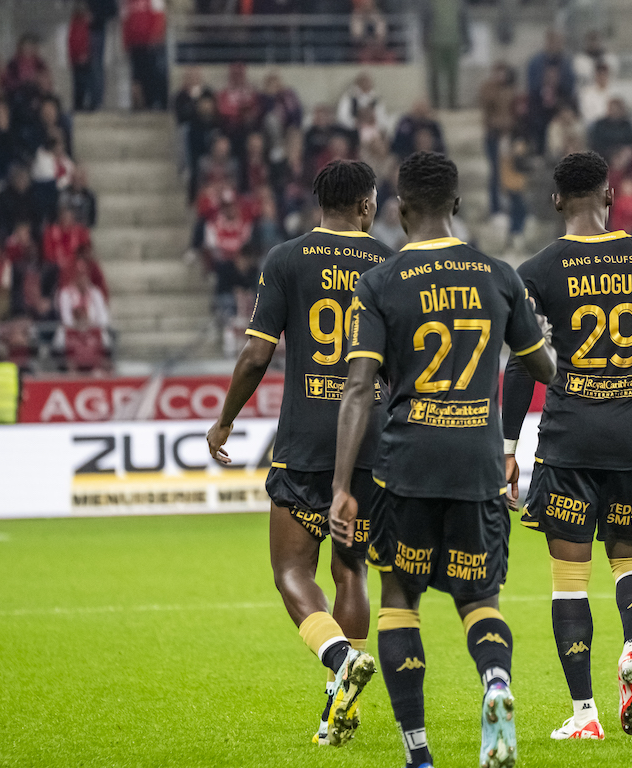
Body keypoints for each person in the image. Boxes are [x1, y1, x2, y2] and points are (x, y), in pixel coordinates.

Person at [330, 151, 554, 768]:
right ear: (457, 204)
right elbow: (543, 369)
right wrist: (537, 340)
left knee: (400, 599)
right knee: (479, 599)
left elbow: (357, 388)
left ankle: (419, 752)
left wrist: (343, 486)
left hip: (406, 464)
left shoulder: (379, 283)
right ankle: (496, 683)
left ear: (400, 210)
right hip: (478, 462)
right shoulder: (499, 275)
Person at [500, 151, 632, 741]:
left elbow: (521, 367)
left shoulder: (537, 270)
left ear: (556, 200)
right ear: (611, 196)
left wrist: (507, 447)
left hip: (567, 440)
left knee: (569, 579)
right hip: (631, 439)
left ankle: (585, 713)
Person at [206, 160, 393, 748]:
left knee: (291, 570)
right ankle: (340, 701)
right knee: (351, 569)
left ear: (320, 204)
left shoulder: (286, 259)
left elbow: (257, 355)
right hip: (371, 439)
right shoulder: (390, 262)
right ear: (366, 206)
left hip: (307, 439)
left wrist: (225, 419)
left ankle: (338, 659)